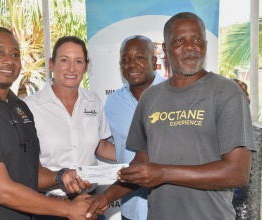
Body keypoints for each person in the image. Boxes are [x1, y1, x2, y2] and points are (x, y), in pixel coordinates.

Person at [86, 12, 255, 220]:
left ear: (205, 44)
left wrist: (164, 173)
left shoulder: (227, 92)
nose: (190, 46)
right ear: (166, 49)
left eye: (197, 39)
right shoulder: (150, 98)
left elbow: (237, 172)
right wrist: (103, 199)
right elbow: (140, 164)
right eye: (180, 41)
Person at [0, 27, 94, 220]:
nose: (9, 60)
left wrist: (60, 176)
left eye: (15, 54)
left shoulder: (19, 108)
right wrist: (68, 209)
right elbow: (1, 190)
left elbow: (30, 174)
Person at [24, 35, 115, 219]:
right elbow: (27, 165)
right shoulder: (30, 107)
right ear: (51, 64)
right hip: (51, 207)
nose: (72, 68)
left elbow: (101, 145)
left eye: (78, 61)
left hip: (90, 203)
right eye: (64, 60)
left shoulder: (93, 101)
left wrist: (139, 156)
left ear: (86, 67)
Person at [104, 35, 166, 220]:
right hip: (130, 208)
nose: (131, 64)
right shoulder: (113, 102)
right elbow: (115, 147)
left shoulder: (174, 95)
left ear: (153, 62)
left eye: (139, 57)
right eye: (125, 59)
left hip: (168, 208)